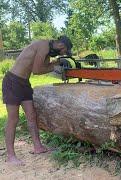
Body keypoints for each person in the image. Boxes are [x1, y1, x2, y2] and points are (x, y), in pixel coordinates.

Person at [2, 36, 73, 165]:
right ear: (62, 45)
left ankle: (38, 147)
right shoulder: (43, 45)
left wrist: (56, 63)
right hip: (13, 81)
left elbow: (43, 66)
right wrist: (55, 66)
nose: (63, 54)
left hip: (24, 82)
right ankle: (11, 156)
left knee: (32, 116)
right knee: (13, 119)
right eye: (65, 52)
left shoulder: (48, 52)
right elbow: (37, 70)